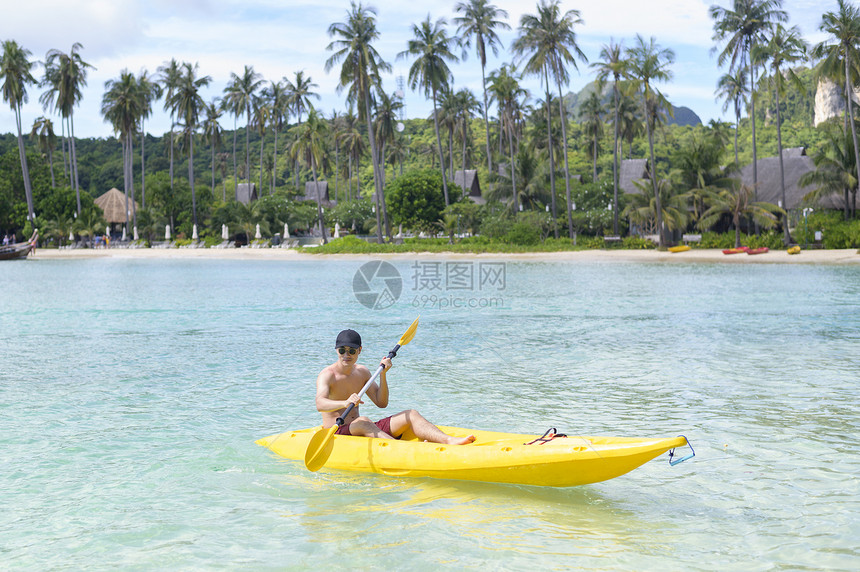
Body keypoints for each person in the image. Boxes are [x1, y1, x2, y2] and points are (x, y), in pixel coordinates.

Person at [315, 329, 475, 445]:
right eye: (342, 350)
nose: (346, 355)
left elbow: (381, 403)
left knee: (411, 414)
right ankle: (401, 449)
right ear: (336, 350)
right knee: (363, 420)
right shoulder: (328, 375)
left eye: (351, 350)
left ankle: (448, 440)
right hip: (337, 431)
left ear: (359, 350)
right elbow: (320, 404)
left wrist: (384, 374)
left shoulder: (362, 372)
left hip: (362, 427)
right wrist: (344, 403)